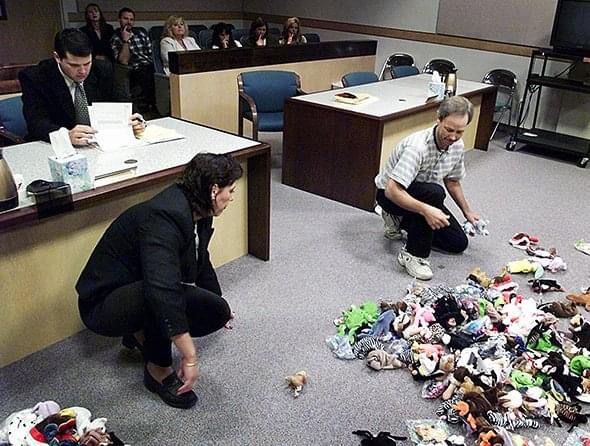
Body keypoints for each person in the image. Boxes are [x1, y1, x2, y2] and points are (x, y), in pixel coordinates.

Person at [76, 153, 242, 409]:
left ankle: (140, 333)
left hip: (135, 286)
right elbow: (162, 287)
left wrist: (218, 301)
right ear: (213, 190)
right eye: (230, 190)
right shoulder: (165, 215)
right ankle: (158, 370)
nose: (231, 197)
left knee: (213, 310)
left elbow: (201, 258)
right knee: (164, 293)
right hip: (102, 303)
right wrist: (189, 356)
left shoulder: (198, 208)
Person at [374, 96, 481, 281]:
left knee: (458, 243)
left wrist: (467, 212)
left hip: (423, 196)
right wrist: (426, 210)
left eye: (459, 132)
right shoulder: (417, 148)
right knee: (434, 193)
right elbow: (392, 190)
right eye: (449, 129)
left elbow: (453, 181)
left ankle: (400, 220)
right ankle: (413, 256)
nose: (453, 137)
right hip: (389, 196)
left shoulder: (456, 145)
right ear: (438, 119)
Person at [19, 28, 144, 145]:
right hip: (56, 148)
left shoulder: (103, 69)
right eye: (74, 65)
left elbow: (124, 102)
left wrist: (136, 120)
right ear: (57, 57)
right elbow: (36, 122)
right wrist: (66, 135)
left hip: (100, 143)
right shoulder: (35, 78)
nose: (83, 71)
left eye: (87, 63)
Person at [111, 7, 156, 114]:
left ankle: (153, 107)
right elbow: (123, 61)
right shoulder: (115, 38)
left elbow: (150, 53)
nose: (129, 22)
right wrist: (125, 41)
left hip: (148, 65)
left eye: (131, 19)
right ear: (119, 20)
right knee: (144, 74)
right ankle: (146, 109)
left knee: (153, 72)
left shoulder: (141, 33)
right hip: (132, 69)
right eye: (125, 18)